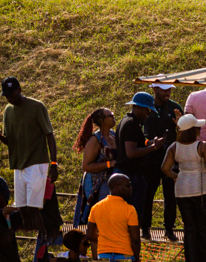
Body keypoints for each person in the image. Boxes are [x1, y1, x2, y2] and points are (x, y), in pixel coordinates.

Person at [0, 77, 58, 236]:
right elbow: (10, 141)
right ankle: (31, 238)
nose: (9, 98)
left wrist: (54, 164)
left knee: (33, 207)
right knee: (23, 208)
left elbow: (49, 135)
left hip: (36, 162)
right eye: (6, 95)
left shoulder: (37, 106)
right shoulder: (8, 111)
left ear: (19, 89)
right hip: (18, 165)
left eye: (11, 94)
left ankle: (44, 237)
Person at [160, 115, 206, 262]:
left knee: (190, 229)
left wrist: (177, 176)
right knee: (203, 228)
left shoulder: (174, 147)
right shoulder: (203, 146)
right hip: (202, 191)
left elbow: (165, 168)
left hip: (182, 191)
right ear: (193, 130)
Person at [113, 92, 164, 239]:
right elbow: (131, 152)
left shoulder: (125, 121)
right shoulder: (132, 124)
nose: (148, 115)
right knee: (133, 215)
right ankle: (130, 245)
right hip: (131, 175)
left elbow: (133, 143)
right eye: (147, 111)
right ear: (140, 108)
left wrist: (149, 142)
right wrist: (154, 148)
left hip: (125, 173)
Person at [143, 84, 182, 242]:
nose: (167, 93)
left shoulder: (175, 108)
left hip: (171, 158)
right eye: (163, 90)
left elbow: (185, 133)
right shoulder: (146, 107)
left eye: (169, 90)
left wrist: (181, 124)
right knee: (148, 194)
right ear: (154, 89)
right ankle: (145, 229)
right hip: (150, 158)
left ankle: (169, 229)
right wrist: (149, 142)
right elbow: (139, 134)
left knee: (170, 195)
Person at [72, 107, 118, 226]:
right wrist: (109, 164)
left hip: (112, 180)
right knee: (101, 217)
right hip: (97, 183)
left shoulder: (113, 135)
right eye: (110, 115)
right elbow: (86, 166)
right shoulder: (95, 140)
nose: (114, 117)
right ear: (102, 121)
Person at [86, 173, 139, 262]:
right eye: (128, 185)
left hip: (103, 256)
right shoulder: (130, 209)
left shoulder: (96, 207)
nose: (131, 188)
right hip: (124, 256)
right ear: (117, 187)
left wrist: (105, 241)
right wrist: (137, 259)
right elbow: (135, 239)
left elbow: (89, 235)